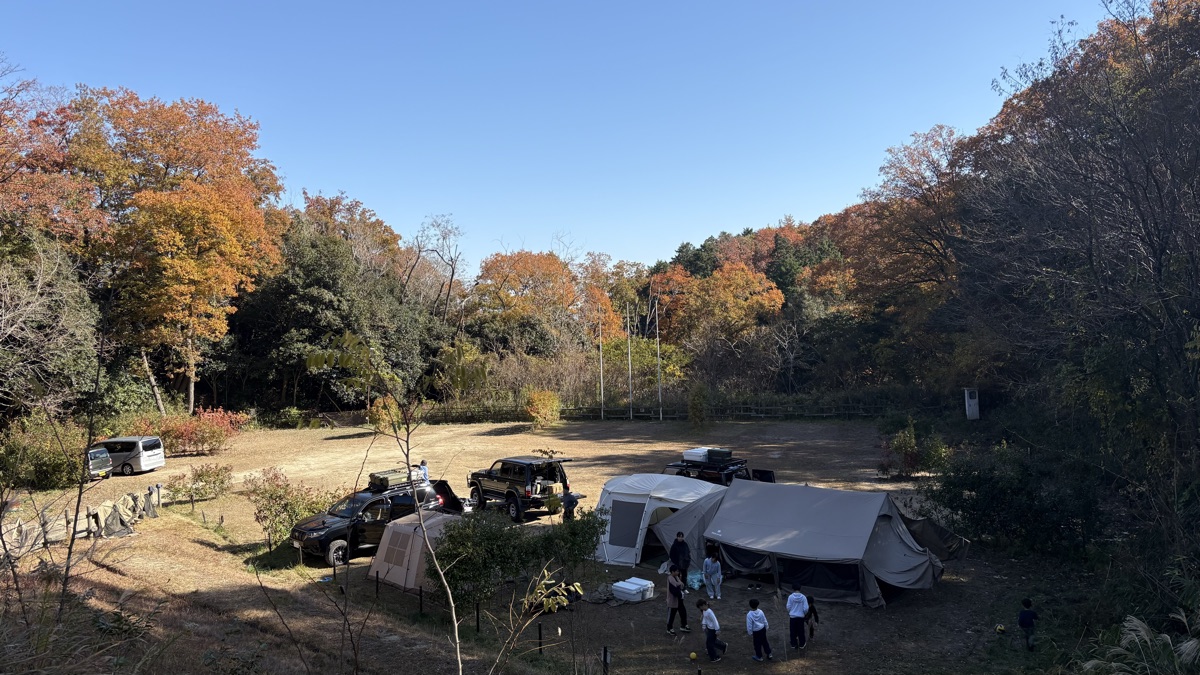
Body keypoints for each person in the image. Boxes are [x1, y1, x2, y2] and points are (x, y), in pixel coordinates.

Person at [697, 598, 727, 662]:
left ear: (704, 605)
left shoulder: (710, 612)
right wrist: (704, 625)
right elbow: (705, 618)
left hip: (713, 630)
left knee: (709, 643)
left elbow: (715, 621)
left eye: (700, 607)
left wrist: (717, 629)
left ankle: (714, 657)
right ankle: (723, 646)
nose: (700, 609)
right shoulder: (704, 611)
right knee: (712, 641)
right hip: (709, 629)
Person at [666, 565, 691, 635]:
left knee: (683, 612)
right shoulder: (670, 579)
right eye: (677, 571)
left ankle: (684, 625)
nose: (678, 572)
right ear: (672, 571)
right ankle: (669, 628)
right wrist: (680, 594)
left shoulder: (676, 577)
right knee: (672, 614)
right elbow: (673, 590)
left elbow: (681, 585)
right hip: (673, 600)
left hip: (679, 600)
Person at [786, 585, 810, 651]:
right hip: (800, 617)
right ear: (800, 588)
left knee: (792, 631)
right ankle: (802, 644)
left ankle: (793, 644)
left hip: (792, 617)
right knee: (801, 630)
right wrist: (803, 614)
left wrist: (791, 612)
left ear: (793, 588)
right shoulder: (803, 597)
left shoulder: (790, 597)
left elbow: (788, 606)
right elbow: (806, 608)